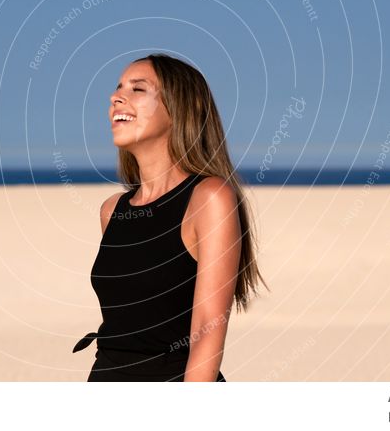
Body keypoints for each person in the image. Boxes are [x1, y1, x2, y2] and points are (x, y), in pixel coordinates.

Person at [73, 53, 268, 381]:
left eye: (138, 89)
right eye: (118, 87)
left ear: (182, 108)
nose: (116, 96)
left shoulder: (208, 198)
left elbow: (207, 332)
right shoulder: (112, 212)